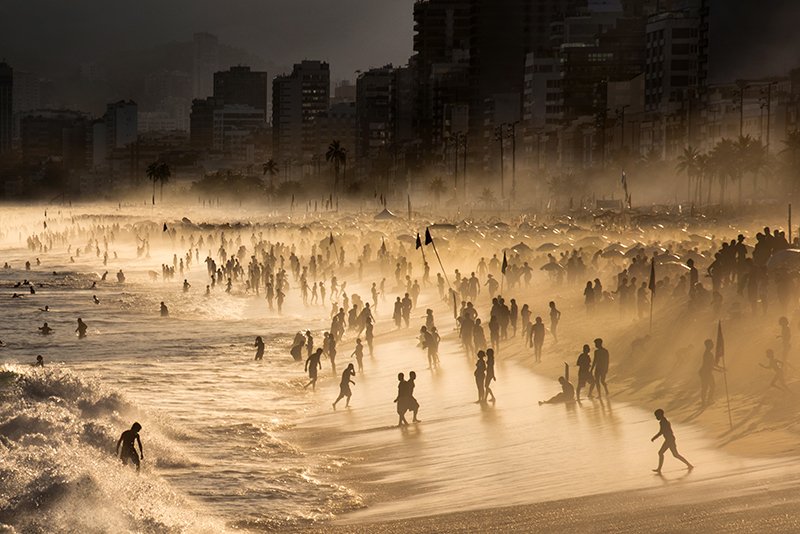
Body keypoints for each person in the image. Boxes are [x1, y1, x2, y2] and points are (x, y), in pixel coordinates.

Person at [650, 409, 693, 474]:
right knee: (675, 454)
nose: (656, 417)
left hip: (669, 440)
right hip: (670, 439)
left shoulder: (663, 422)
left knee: (661, 453)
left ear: (660, 415)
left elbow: (661, 431)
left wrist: (654, 437)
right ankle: (689, 465)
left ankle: (659, 469)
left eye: (656, 416)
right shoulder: (664, 421)